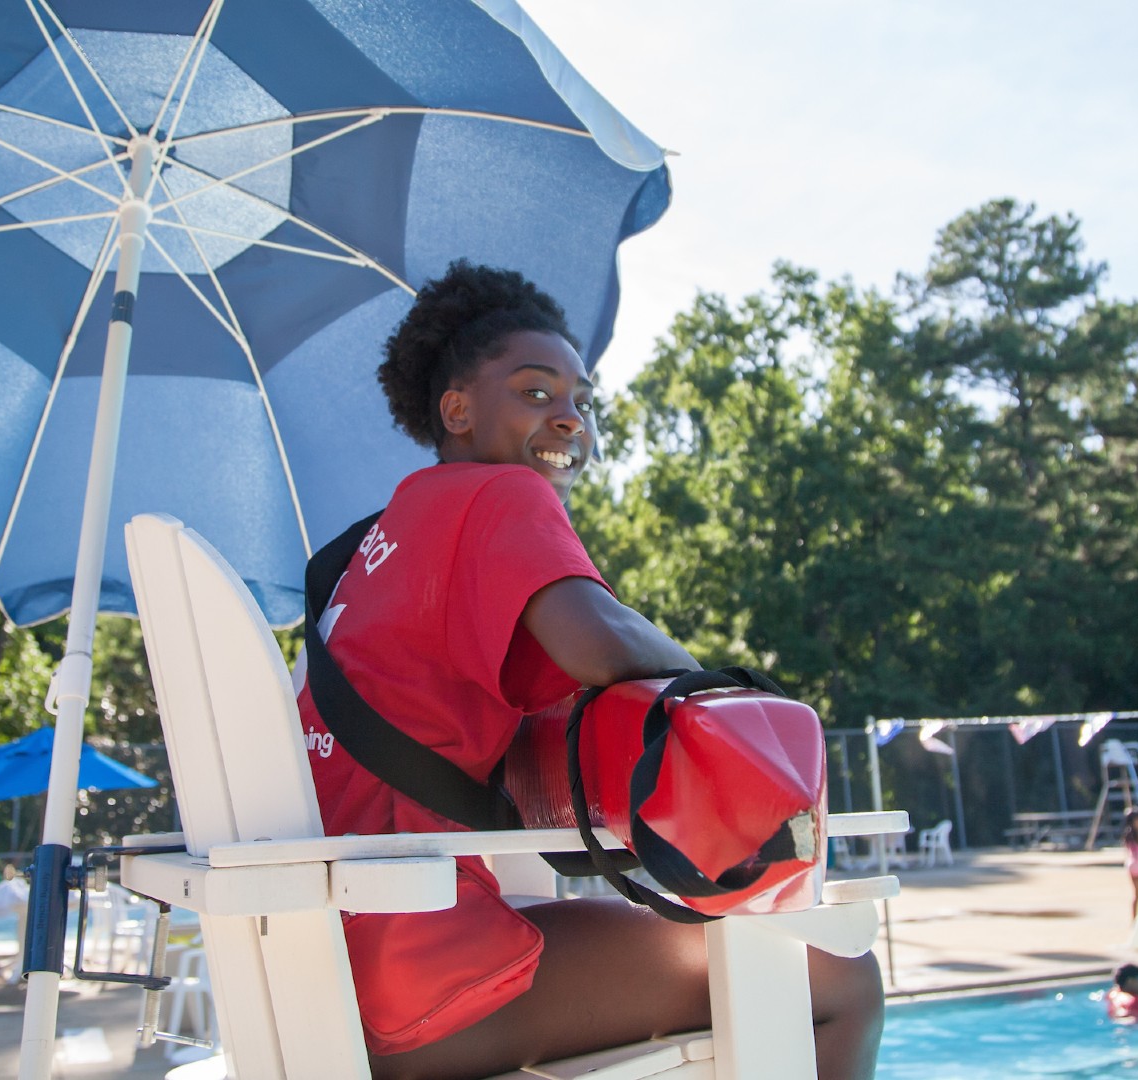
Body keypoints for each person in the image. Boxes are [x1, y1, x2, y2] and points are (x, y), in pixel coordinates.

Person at [298, 261, 883, 1080]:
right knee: (841, 979)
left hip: (330, 970)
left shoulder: (380, 541)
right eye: (537, 392)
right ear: (456, 409)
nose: (569, 417)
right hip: (427, 983)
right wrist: (730, 695)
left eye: (581, 400)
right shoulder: (498, 493)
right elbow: (597, 645)